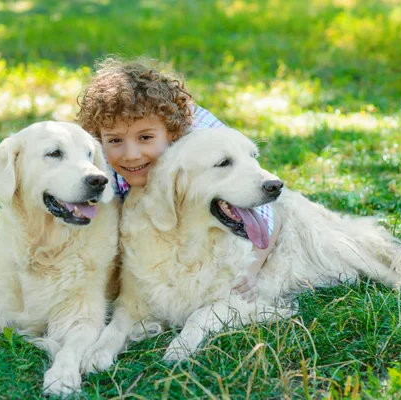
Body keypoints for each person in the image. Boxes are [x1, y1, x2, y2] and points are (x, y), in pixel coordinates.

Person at [76, 57, 281, 301]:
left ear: (172, 134)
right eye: (115, 140)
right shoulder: (100, 163)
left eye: (145, 138)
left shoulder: (205, 144)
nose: (131, 155)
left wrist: (251, 269)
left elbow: (271, 213)